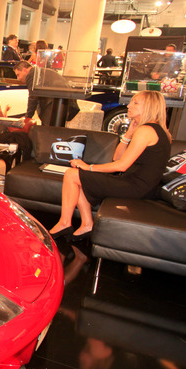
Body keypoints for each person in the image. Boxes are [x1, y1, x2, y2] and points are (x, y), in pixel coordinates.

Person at [49, 90, 171, 241]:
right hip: (139, 185)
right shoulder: (153, 129)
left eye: (135, 103)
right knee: (77, 178)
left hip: (135, 187)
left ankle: (65, 222)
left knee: (72, 174)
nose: (129, 106)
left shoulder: (146, 130)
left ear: (149, 107)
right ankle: (87, 224)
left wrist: (89, 167)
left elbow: (121, 166)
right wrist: (128, 135)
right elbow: (117, 157)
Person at [14, 60, 76, 125]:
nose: (18, 78)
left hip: (54, 105)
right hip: (63, 103)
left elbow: (33, 97)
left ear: (25, 70)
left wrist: (28, 117)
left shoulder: (32, 75)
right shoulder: (41, 72)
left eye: (18, 75)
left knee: (48, 130)